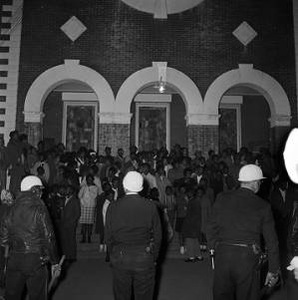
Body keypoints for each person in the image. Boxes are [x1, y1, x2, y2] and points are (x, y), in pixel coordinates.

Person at [207, 164, 280, 300]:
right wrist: (273, 270)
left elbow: (210, 227)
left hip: (223, 256)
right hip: (247, 259)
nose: (259, 184)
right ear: (254, 183)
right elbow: (272, 241)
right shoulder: (263, 206)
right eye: (259, 182)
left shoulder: (222, 197)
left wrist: (215, 246)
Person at [0, 175, 61, 300]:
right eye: (40, 189)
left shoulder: (11, 207)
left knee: (11, 297)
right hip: (36, 261)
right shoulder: (39, 207)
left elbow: (4, 240)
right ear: (34, 190)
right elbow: (49, 237)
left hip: (14, 260)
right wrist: (54, 262)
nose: (42, 192)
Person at [105, 171, 162, 300]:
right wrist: (154, 257)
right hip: (144, 255)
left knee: (122, 295)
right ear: (141, 188)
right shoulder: (150, 206)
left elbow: (108, 236)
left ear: (124, 187)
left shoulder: (113, 206)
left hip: (120, 256)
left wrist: (112, 255)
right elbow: (158, 235)